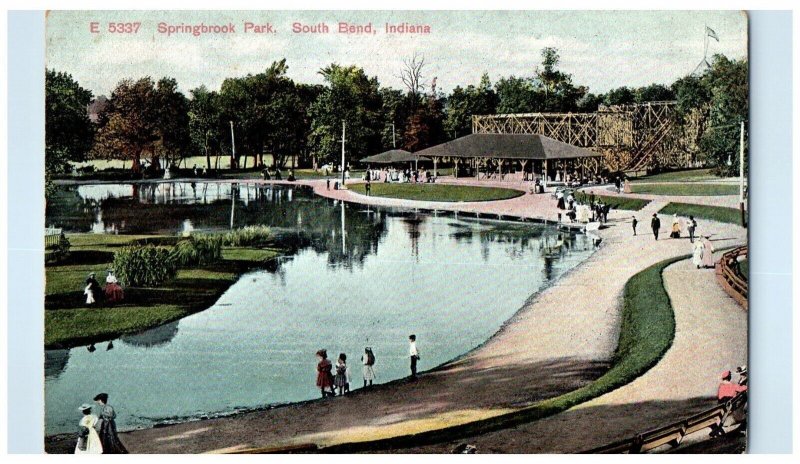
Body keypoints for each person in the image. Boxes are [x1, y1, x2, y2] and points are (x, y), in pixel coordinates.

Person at [710, 370, 748, 437]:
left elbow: (720, 398)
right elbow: (744, 388)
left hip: (722, 409)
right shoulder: (733, 386)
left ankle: (717, 430)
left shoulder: (720, 387)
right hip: (730, 410)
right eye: (730, 376)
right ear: (729, 377)